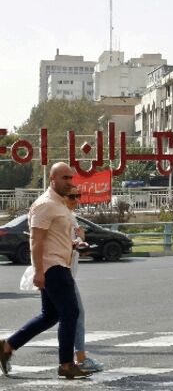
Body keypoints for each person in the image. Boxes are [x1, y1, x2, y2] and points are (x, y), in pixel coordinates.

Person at [0, 163, 91, 380]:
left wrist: (74, 244)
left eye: (71, 178)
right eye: (65, 178)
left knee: (50, 316)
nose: (69, 182)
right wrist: (39, 271)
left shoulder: (61, 206)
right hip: (53, 267)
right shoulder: (45, 205)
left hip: (61, 264)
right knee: (71, 313)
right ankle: (66, 364)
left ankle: (7, 346)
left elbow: (57, 238)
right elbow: (36, 240)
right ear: (52, 179)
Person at [64, 190, 103, 375]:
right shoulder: (61, 216)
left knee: (50, 317)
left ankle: (8, 346)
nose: (76, 200)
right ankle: (79, 359)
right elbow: (69, 243)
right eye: (72, 196)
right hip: (60, 274)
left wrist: (80, 241)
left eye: (77, 196)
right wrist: (80, 239)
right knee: (76, 315)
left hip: (65, 273)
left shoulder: (70, 216)